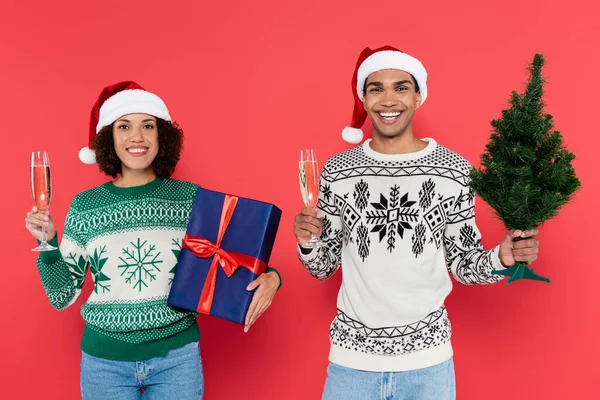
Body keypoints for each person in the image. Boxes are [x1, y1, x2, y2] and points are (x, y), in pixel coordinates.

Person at [293, 46, 540, 400]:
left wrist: (502, 257)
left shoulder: (454, 171)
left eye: (401, 87)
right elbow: (322, 267)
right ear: (363, 99)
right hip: (352, 363)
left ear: (419, 96)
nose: (388, 100)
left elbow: (464, 264)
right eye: (376, 88)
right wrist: (308, 242)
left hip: (428, 366)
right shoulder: (338, 170)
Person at [25, 81, 282, 400]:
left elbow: (236, 258)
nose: (137, 136)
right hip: (104, 364)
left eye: (148, 125)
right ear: (108, 137)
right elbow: (62, 295)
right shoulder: (85, 207)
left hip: (177, 360)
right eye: (124, 126)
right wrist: (48, 244)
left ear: (162, 135)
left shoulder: (190, 199)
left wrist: (273, 278)